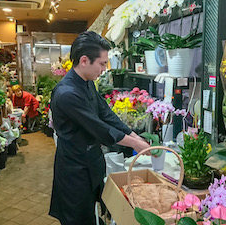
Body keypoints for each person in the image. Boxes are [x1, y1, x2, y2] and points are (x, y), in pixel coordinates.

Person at [49, 31, 151, 225]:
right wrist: (135, 144)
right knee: (79, 218)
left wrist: (135, 136)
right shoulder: (67, 94)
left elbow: (106, 114)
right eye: (102, 63)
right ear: (85, 60)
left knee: (95, 214)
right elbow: (100, 128)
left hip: (91, 161)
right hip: (75, 169)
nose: (104, 69)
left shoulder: (87, 84)